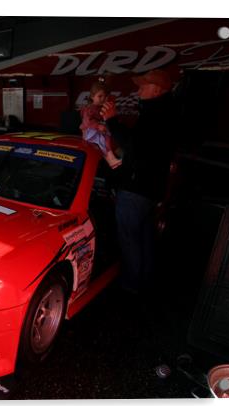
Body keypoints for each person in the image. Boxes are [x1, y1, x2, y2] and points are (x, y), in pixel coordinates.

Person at [100, 69, 178, 295]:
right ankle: (145, 280)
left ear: (156, 90)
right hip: (150, 190)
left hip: (136, 191)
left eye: (143, 86)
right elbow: (142, 148)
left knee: (129, 239)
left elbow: (136, 146)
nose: (138, 90)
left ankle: (131, 286)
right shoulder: (165, 112)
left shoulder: (156, 114)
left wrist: (112, 121)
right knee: (144, 238)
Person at [80, 81, 122, 168]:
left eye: (105, 96)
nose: (103, 99)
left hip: (99, 130)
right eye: (100, 96)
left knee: (113, 136)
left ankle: (118, 153)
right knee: (104, 138)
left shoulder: (101, 108)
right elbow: (88, 122)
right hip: (89, 133)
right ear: (92, 96)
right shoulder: (89, 109)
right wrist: (98, 126)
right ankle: (111, 160)